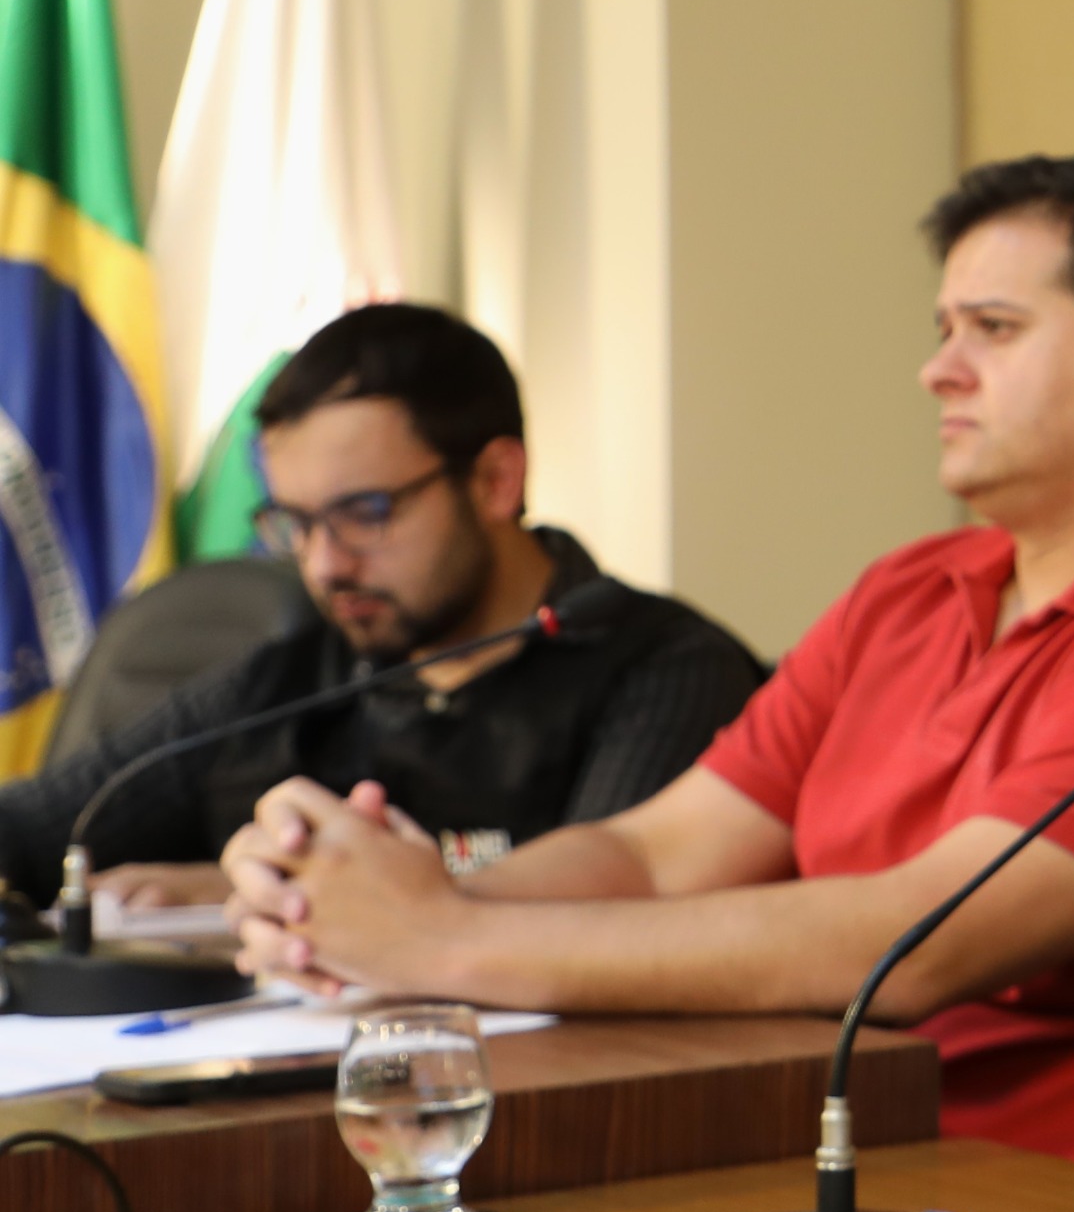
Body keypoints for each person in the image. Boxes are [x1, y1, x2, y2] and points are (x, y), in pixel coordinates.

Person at [225, 158, 1074, 1212]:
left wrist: (439, 948)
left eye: (992, 327)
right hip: (837, 1189)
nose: (938, 369)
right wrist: (391, 901)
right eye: (942, 327)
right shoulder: (911, 591)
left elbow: (905, 945)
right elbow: (656, 853)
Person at [0, 304, 760, 914]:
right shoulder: (292, 675)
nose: (325, 564)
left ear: (496, 480)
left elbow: (606, 897)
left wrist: (260, 889)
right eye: (295, 524)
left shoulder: (666, 670)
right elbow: (36, 829)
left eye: (366, 511)